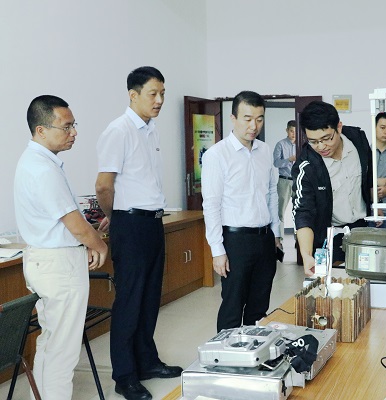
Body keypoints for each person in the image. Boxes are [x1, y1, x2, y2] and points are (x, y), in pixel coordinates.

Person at [95, 66, 182, 400]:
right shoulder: (118, 131)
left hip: (151, 222)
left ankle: (146, 362)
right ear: (133, 95)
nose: (159, 100)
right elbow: (104, 186)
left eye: (162, 94)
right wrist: (114, 217)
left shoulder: (150, 129)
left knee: (149, 298)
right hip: (130, 225)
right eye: (153, 94)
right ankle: (125, 376)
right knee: (130, 301)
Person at [14, 95, 108, 400]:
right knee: (63, 350)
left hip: (45, 261)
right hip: (58, 266)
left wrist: (88, 237)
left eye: (73, 125)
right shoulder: (43, 168)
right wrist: (98, 245)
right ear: (41, 130)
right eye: (66, 127)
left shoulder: (35, 162)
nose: (74, 132)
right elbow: (75, 224)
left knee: (51, 342)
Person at [201, 90, 280, 332]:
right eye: (247, 119)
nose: (254, 126)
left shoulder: (265, 151)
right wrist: (217, 251)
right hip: (235, 241)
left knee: (259, 307)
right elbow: (211, 205)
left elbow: (271, 193)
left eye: (259, 119)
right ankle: (225, 353)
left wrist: (276, 233)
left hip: (264, 239)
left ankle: (253, 350)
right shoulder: (217, 155)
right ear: (233, 118)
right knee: (232, 306)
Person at [292, 101, 372, 276]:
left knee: (368, 281)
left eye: (327, 138)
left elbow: (369, 175)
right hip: (332, 235)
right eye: (313, 141)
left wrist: (374, 202)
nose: (321, 147)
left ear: (339, 127)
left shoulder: (358, 139)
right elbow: (303, 211)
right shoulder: (307, 166)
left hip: (364, 228)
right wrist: (306, 255)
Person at [273, 120, 296, 238]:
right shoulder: (280, 144)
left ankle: (299, 240)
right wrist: (288, 160)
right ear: (287, 131)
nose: (293, 134)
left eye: (295, 132)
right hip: (284, 181)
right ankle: (280, 238)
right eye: (291, 131)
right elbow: (276, 163)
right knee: (280, 211)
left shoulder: (301, 145)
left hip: (298, 181)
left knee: (299, 211)